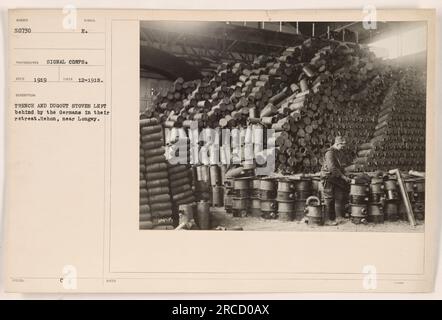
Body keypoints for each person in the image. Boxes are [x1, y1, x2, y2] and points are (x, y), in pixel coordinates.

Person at [320, 136, 351, 225]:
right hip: (328, 177)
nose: (343, 147)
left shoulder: (338, 152)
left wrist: (345, 173)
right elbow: (332, 168)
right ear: (337, 144)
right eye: (342, 145)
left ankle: (336, 217)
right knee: (329, 198)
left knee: (337, 197)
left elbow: (340, 166)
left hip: (335, 178)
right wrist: (343, 177)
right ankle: (328, 220)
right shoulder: (329, 153)